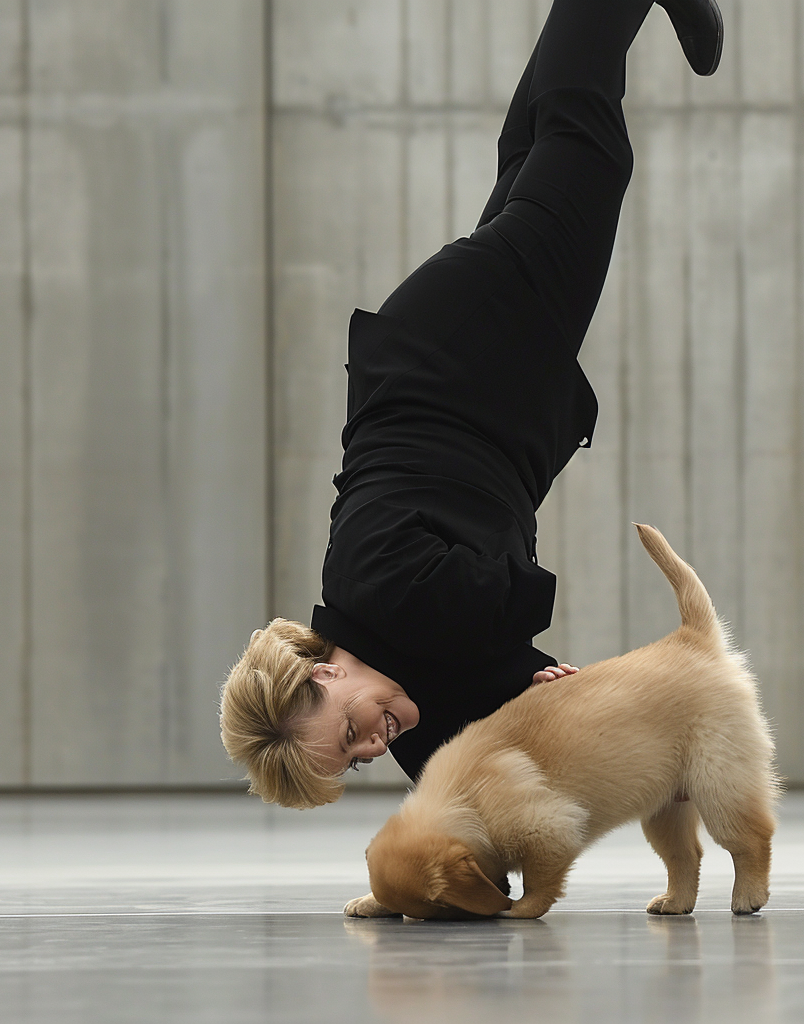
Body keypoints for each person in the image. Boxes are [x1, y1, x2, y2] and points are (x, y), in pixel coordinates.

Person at [220, 0, 724, 808]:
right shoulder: (408, 677)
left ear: (326, 670)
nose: (376, 745)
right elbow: (470, 800)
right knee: (531, 155)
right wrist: (541, 692)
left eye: (349, 730)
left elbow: (513, 597)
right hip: (473, 365)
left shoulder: (377, 588)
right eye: (356, 762)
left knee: (585, 152)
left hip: (470, 348)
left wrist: (535, 679)